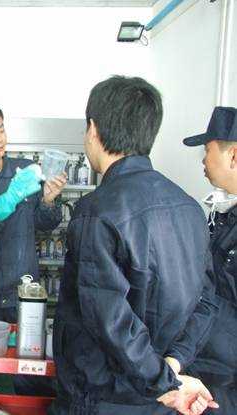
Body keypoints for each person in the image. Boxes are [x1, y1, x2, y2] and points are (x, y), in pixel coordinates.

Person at [51, 76, 220, 415]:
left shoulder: (97, 211)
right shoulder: (189, 207)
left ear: (93, 129)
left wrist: (162, 381)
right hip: (160, 398)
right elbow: (207, 300)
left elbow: (109, 320)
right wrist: (172, 368)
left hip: (104, 397)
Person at [0, 102, 66, 395]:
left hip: (25, 293)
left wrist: (48, 200)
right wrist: (6, 202)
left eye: (1, 130)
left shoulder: (24, 171)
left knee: (30, 375)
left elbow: (45, 224)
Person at [183, 106, 237, 414]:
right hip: (203, 372)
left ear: (233, 156)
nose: (203, 161)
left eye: (207, 150)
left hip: (225, 387)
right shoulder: (223, 215)